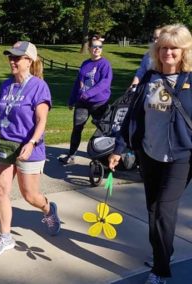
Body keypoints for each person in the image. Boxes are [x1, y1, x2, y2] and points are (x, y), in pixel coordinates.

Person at [108, 24, 192, 284]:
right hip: (150, 154)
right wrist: (118, 149)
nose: (168, 52)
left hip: (182, 157)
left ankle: (160, 270)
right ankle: (161, 254)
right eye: (164, 47)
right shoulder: (149, 80)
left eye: (174, 48)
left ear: (184, 51)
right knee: (153, 210)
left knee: (165, 210)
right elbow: (132, 117)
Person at [0, 41, 60, 256]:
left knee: (29, 195)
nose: (12, 60)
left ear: (30, 61)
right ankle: (5, 237)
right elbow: (5, 112)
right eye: (11, 56)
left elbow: (41, 120)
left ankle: (47, 209)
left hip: (29, 147)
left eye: (18, 57)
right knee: (1, 190)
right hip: (6, 144)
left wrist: (32, 142)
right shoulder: (7, 84)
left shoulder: (38, 86)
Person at [59, 35, 113, 165]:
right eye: (94, 46)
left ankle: (103, 157)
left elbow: (105, 83)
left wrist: (88, 93)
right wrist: (72, 99)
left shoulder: (105, 64)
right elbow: (78, 82)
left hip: (99, 103)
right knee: (77, 128)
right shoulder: (85, 64)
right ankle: (71, 156)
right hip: (82, 102)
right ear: (89, 48)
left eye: (100, 47)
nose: (97, 49)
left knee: (104, 129)